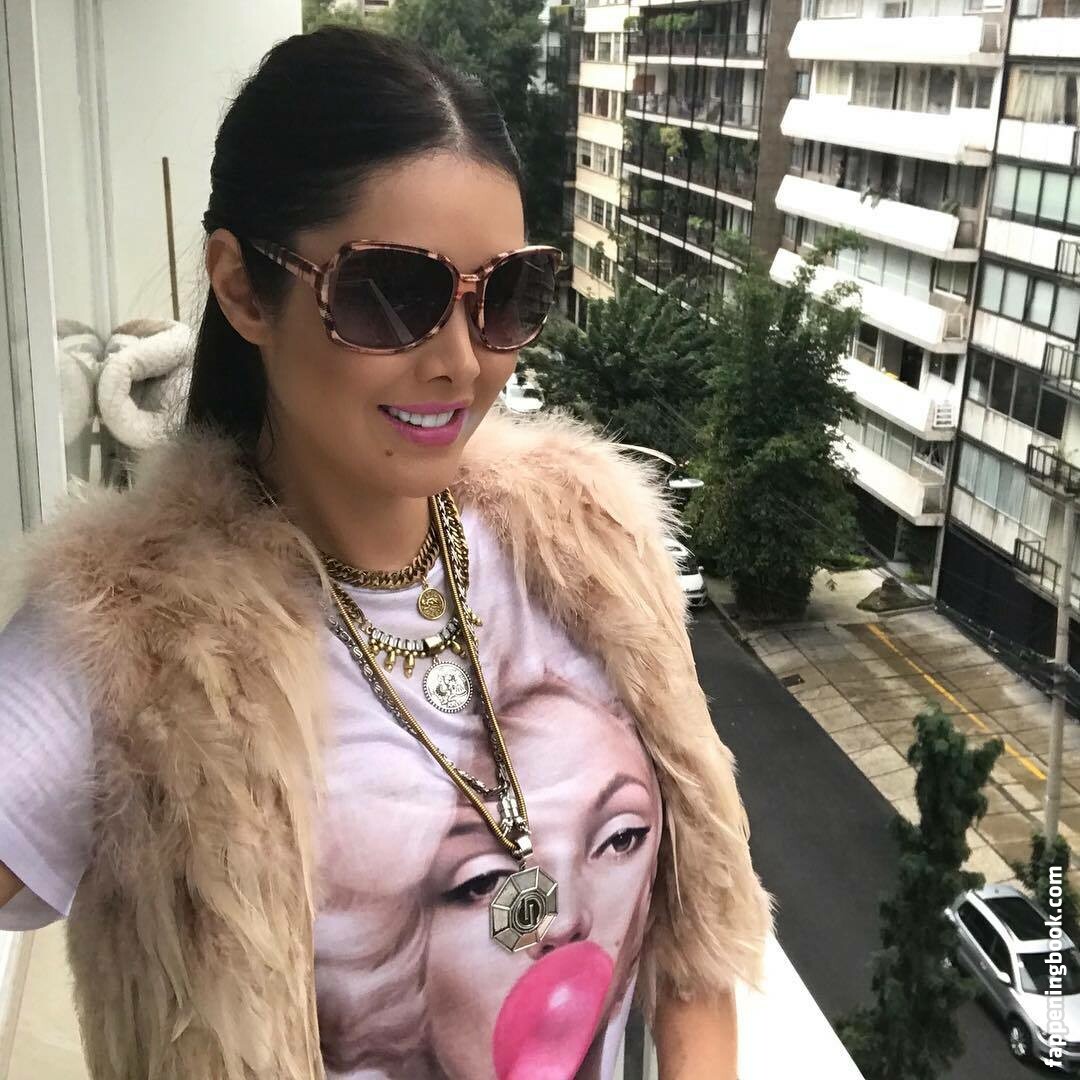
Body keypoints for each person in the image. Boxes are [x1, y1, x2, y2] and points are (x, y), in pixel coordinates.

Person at [0, 25, 774, 1080]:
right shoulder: (128, 639)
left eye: (506, 297)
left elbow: (698, 932)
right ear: (243, 289)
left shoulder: (588, 546)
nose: (459, 361)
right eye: (388, 294)